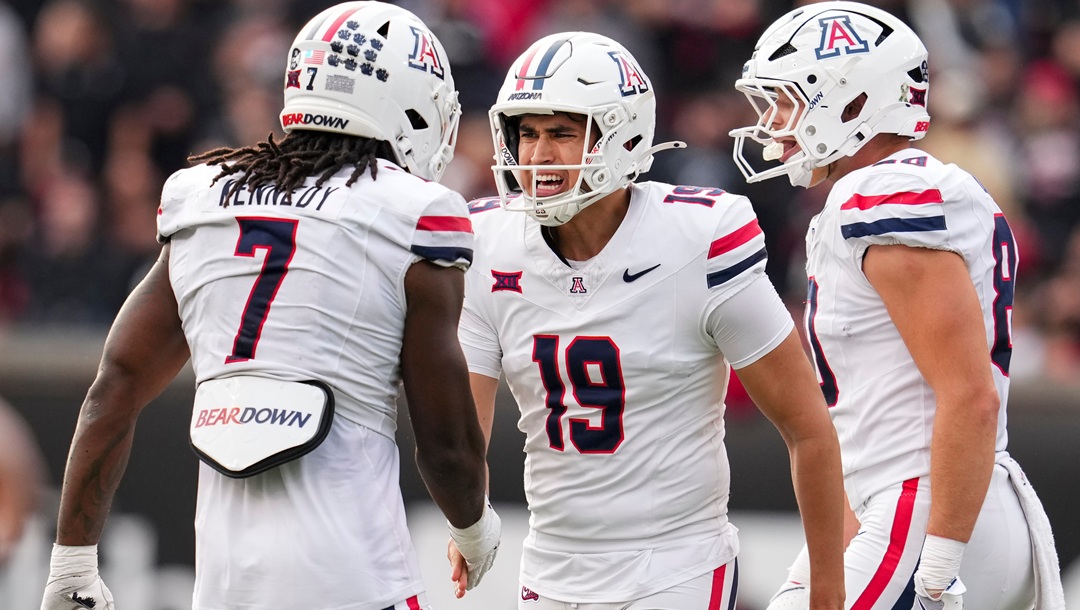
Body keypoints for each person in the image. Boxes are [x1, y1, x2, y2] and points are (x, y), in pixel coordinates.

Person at [40, 3, 500, 609]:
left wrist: (72, 560)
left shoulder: (205, 198)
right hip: (353, 579)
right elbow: (444, 444)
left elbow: (116, 385)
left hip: (225, 585)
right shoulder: (412, 213)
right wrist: (475, 527)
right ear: (409, 103)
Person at [451, 31, 847, 609]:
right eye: (527, 132)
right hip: (550, 564)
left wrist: (828, 591)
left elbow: (807, 426)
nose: (537, 155)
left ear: (623, 133)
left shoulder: (697, 238)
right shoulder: (489, 242)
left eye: (562, 132)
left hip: (675, 562)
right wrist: (467, 517)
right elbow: (466, 429)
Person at [729, 2, 1066, 609]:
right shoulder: (893, 190)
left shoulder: (882, 196)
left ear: (854, 103)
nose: (774, 123)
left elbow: (969, 395)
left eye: (786, 101)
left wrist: (939, 556)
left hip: (932, 504)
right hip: (915, 497)